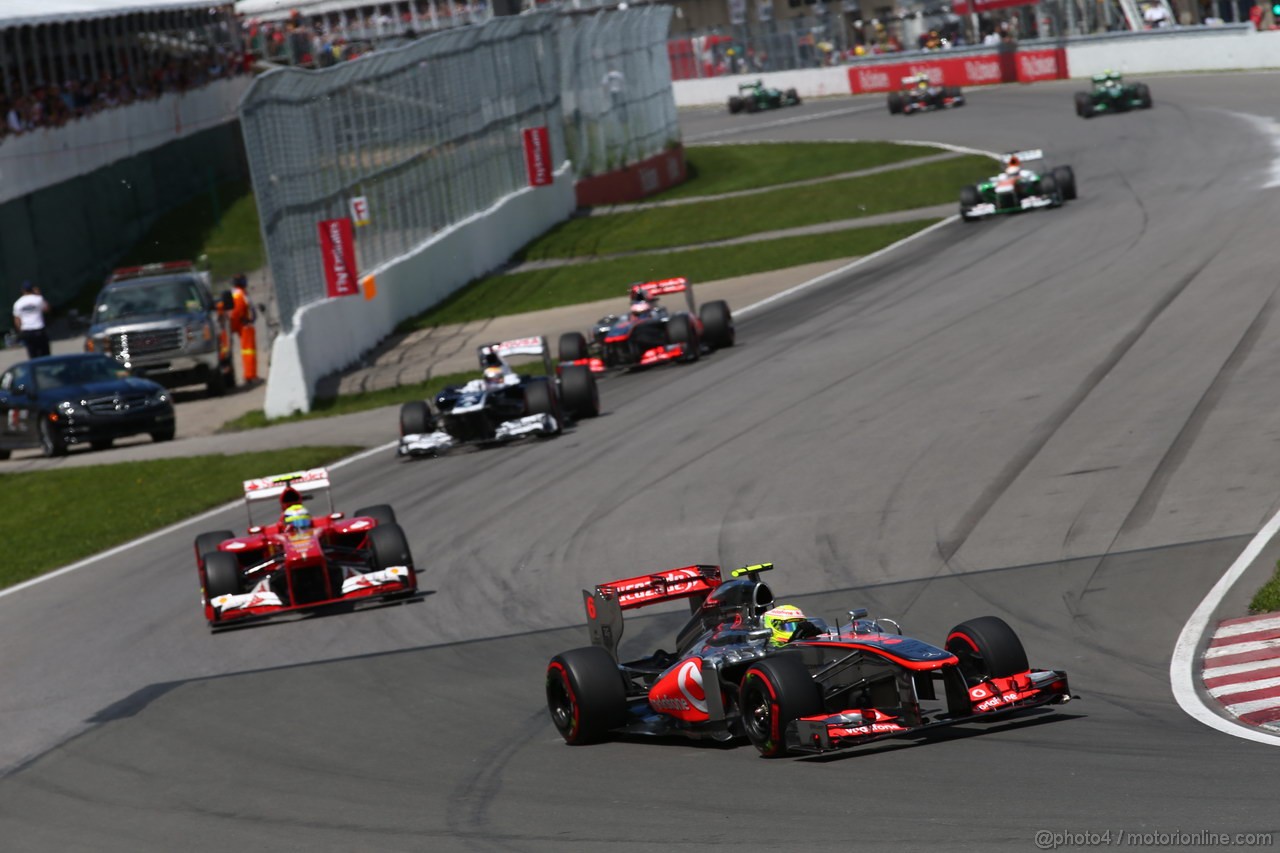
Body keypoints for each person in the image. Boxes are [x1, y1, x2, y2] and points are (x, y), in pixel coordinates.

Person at [230, 273, 257, 383]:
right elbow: (238, 311)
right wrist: (244, 321)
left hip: (240, 324)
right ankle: (250, 376)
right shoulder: (241, 294)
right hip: (244, 325)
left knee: (247, 350)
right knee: (249, 351)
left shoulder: (235, 293)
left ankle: (249, 375)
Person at [12, 281, 51, 358]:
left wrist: (20, 331)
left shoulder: (18, 303)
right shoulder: (38, 299)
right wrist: (39, 295)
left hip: (27, 330)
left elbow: (17, 320)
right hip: (39, 329)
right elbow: (47, 309)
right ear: (32, 289)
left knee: (33, 354)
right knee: (45, 354)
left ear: (23, 290)